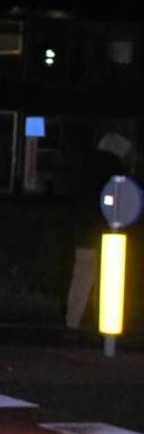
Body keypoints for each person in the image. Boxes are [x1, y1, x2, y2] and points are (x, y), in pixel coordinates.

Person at [66, 132, 133, 330]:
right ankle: (103, 323)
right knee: (109, 279)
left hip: (84, 229)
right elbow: (123, 201)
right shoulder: (117, 171)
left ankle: (73, 321)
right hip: (109, 231)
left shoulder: (85, 169)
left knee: (82, 275)